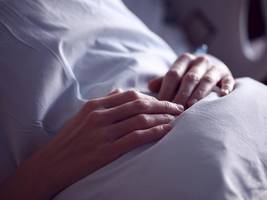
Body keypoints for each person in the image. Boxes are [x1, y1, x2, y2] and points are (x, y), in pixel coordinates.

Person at [0, 0, 236, 199]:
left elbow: (160, 42)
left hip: (227, 109)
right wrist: (42, 173)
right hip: (128, 171)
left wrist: (208, 66)